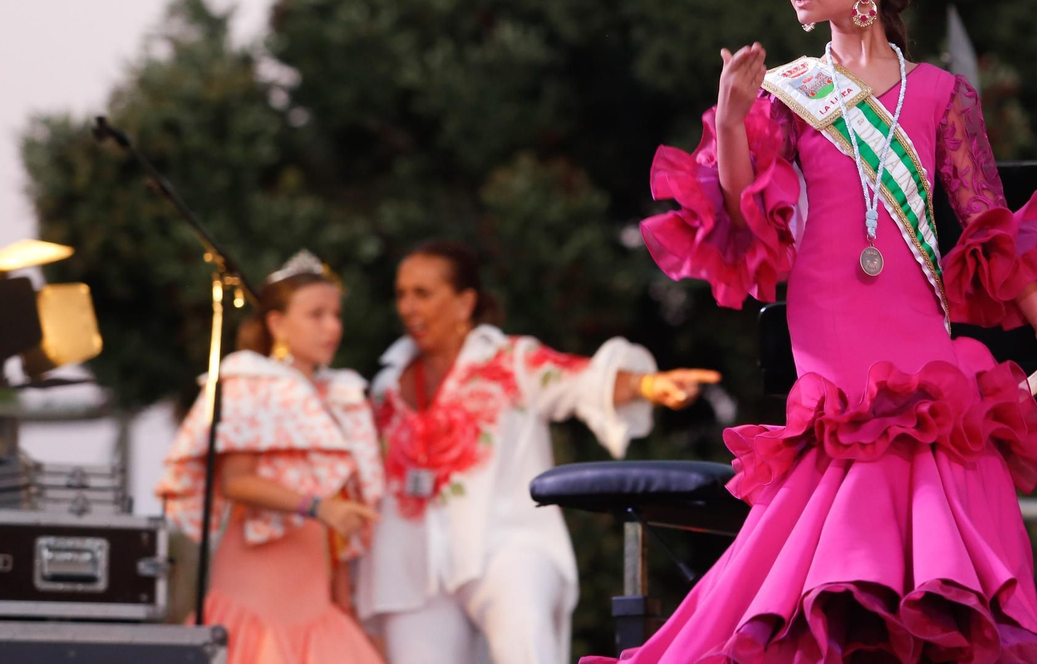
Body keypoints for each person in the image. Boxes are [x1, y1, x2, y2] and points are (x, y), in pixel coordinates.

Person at [607, 0, 1037, 662]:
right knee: (836, 532)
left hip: (917, 330)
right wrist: (731, 121)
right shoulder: (790, 89)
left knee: (926, 516)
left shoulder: (941, 94)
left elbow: (987, 223)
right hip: (831, 332)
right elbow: (740, 213)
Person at [357, 238, 721, 664]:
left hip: (508, 545)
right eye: (401, 294)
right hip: (414, 566)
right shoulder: (385, 387)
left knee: (526, 644)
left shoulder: (510, 361)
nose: (407, 307)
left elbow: (579, 379)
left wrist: (646, 385)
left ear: (464, 302)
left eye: (423, 293)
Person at [157, 250, 385, 664]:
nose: (332, 327)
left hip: (313, 595)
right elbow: (235, 481)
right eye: (316, 315)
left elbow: (335, 514)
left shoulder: (340, 395)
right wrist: (318, 507)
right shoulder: (251, 382)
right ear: (277, 323)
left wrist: (341, 596)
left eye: (335, 314)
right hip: (255, 590)